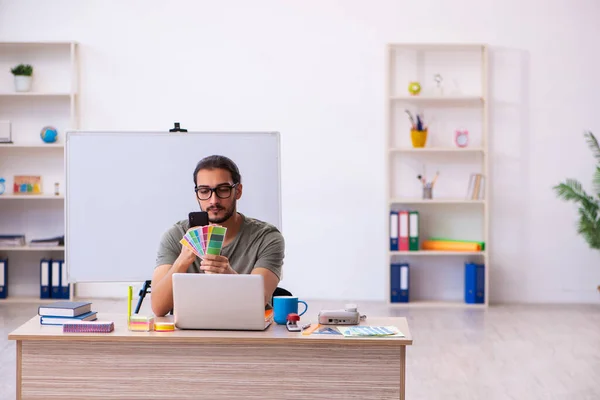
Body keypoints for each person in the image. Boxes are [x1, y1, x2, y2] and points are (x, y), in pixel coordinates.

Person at [151, 155, 285, 317]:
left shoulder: (266, 237)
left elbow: (260, 301)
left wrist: (229, 275)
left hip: (246, 334)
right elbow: (158, 308)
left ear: (238, 191)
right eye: (204, 191)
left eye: (223, 190)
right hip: (190, 336)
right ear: (197, 194)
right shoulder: (175, 236)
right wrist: (182, 261)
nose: (213, 200)